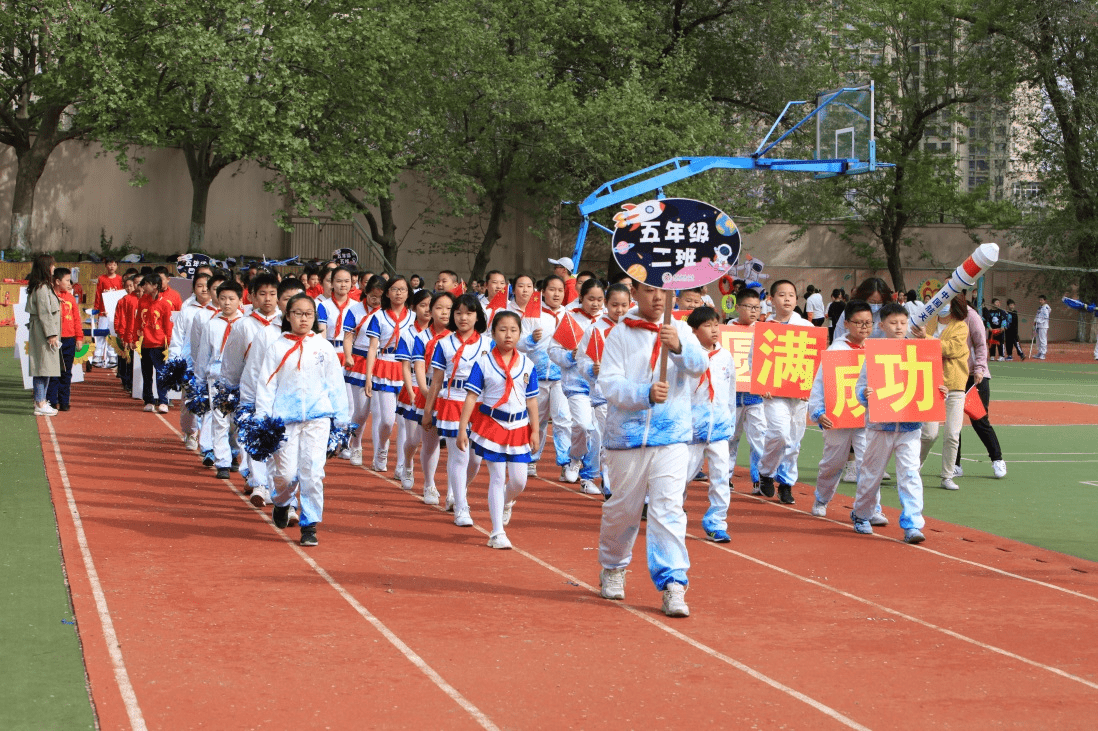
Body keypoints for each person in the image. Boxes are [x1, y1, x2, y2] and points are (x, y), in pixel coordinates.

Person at [597, 281, 708, 618]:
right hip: (627, 438)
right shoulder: (620, 333)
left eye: (663, 291)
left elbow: (700, 365)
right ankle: (614, 565)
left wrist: (679, 348)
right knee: (623, 510)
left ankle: (673, 583)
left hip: (671, 436)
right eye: (649, 290)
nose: (657, 297)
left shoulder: (680, 331)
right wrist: (644, 394)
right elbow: (610, 383)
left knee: (668, 510)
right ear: (636, 294)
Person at [256, 293, 350, 547]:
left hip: (318, 419)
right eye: (298, 313)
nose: (303, 318)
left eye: (309, 314)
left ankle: (309, 525)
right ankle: (281, 501)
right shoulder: (277, 347)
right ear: (288, 316)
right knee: (285, 474)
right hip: (284, 421)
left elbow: (335, 385)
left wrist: (341, 420)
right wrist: (262, 420)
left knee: (312, 472)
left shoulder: (323, 347)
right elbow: (266, 385)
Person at [851, 303, 940, 543]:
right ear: (882, 326)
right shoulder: (876, 354)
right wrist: (865, 395)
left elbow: (930, 385)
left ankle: (912, 524)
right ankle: (861, 515)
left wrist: (940, 391)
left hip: (910, 428)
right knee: (872, 474)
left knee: (910, 474)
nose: (899, 327)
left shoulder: (919, 351)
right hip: (880, 427)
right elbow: (860, 387)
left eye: (903, 322)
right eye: (893, 323)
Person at [456, 310, 541, 549]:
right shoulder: (483, 362)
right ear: (493, 333)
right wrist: (463, 429)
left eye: (513, 330)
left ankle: (506, 501)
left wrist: (534, 431)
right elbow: (471, 396)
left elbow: (532, 400)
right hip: (492, 424)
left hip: (518, 427)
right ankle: (497, 532)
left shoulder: (527, 363)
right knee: (496, 476)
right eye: (502, 330)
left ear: (519, 334)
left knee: (519, 481)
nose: (508, 335)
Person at [807, 300, 885, 525]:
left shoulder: (876, 349)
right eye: (858, 322)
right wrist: (818, 411)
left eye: (868, 323)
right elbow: (820, 383)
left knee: (868, 463)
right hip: (838, 417)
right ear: (847, 323)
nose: (864, 327)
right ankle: (822, 499)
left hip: (866, 418)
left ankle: (872, 508)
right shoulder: (836, 350)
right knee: (833, 462)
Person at [421, 294, 493, 525]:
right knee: (459, 456)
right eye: (458, 312)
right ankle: (461, 506)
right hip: (453, 402)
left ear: (478, 316)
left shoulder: (488, 343)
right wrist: (428, 411)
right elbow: (437, 381)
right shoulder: (443, 344)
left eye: (469, 313)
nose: (463, 317)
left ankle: (456, 491)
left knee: (475, 460)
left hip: (480, 404)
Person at [220, 273, 280, 501]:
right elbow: (232, 360)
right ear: (252, 296)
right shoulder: (244, 325)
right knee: (253, 436)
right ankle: (258, 483)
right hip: (251, 389)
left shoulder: (284, 324)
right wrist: (229, 387)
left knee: (276, 438)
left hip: (278, 391)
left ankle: (272, 484)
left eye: (272, 294)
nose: (267, 299)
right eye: (262, 294)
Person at [757, 280, 814, 505]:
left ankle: (787, 483)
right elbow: (756, 359)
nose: (788, 299)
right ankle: (766, 471)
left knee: (795, 440)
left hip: (799, 394)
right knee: (779, 434)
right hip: (774, 393)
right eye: (782, 294)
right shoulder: (764, 328)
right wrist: (763, 385)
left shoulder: (806, 328)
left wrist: (808, 387)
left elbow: (812, 360)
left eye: (791, 295)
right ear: (771, 300)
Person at [683, 306, 735, 543]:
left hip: (719, 429)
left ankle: (716, 522)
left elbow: (730, 391)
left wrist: (730, 421)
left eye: (716, 324)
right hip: (691, 429)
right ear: (693, 330)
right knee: (682, 476)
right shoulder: (685, 356)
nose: (714, 329)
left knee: (721, 476)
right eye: (707, 325)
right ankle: (671, 513)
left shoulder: (725, 356)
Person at [575, 282, 631, 498]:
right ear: (606, 304)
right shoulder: (594, 330)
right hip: (603, 396)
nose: (619, 310)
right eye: (614, 304)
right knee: (609, 442)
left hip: (630, 396)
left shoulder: (635, 328)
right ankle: (610, 486)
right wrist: (592, 368)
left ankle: (627, 488)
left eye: (624, 305)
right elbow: (582, 361)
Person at [548, 278, 605, 494]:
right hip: (577, 384)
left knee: (599, 434)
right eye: (591, 299)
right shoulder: (570, 319)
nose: (596, 303)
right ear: (581, 298)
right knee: (583, 426)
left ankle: (589, 476)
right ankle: (574, 458)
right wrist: (570, 356)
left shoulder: (608, 321)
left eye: (600, 299)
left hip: (601, 386)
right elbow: (552, 351)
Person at [517, 275, 573, 478]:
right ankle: (531, 458)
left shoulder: (570, 315)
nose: (556, 294)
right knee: (536, 420)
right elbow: (519, 343)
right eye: (552, 289)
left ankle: (565, 462)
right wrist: (530, 339)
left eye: (560, 290)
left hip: (562, 376)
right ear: (543, 291)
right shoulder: (532, 314)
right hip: (536, 375)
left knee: (563, 419)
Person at [951, 294, 1008, 480]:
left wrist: (980, 369)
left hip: (975, 376)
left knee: (979, 420)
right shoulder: (943, 317)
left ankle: (997, 459)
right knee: (954, 423)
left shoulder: (971, 316)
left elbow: (981, 346)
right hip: (955, 376)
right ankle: (955, 464)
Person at [361, 276, 413, 474]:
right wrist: (368, 377)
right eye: (394, 289)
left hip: (406, 368)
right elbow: (372, 348)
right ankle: (382, 448)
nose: (398, 293)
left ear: (408, 293)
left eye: (402, 289)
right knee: (387, 421)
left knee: (405, 422)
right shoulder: (379, 317)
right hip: (385, 366)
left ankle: (401, 463)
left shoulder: (414, 317)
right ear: (387, 293)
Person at [193, 280, 245, 479]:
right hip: (216, 375)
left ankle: (234, 453)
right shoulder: (212, 324)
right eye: (223, 298)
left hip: (240, 376)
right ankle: (222, 461)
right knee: (220, 419)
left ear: (240, 300)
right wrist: (199, 381)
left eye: (232, 299)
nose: (227, 303)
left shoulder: (245, 323)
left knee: (237, 420)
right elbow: (203, 354)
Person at [916, 296, 969, 491]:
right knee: (929, 434)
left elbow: (951, 349)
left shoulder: (961, 326)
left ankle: (947, 475)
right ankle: (913, 470)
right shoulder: (927, 323)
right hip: (929, 384)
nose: (943, 307)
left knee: (952, 434)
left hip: (954, 386)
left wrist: (926, 339)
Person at [409, 291, 455, 505]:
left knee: (457, 446)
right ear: (431, 311)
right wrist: (425, 392)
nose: (444, 312)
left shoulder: (457, 338)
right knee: (430, 443)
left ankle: (455, 491)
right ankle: (429, 484)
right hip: (430, 393)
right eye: (439, 308)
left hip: (454, 396)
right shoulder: (422, 338)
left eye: (448, 308)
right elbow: (418, 366)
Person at [167, 272, 216, 450]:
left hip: (212, 365)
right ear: (194, 288)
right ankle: (190, 431)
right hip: (190, 364)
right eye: (199, 286)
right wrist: (175, 361)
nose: (203, 289)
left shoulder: (219, 311)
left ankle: (207, 440)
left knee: (211, 404)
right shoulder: (187, 310)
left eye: (207, 285)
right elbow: (177, 338)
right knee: (189, 402)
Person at [342, 274, 385, 464]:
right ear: (365, 293)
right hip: (359, 360)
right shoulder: (355, 310)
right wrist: (348, 355)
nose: (376, 301)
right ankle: (356, 442)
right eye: (373, 296)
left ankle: (379, 452)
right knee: (361, 411)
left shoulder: (388, 313)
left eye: (380, 297)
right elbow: (348, 336)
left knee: (380, 412)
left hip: (381, 362)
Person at [394, 289, 434, 490]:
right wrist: (410, 390)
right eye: (422, 305)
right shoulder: (409, 334)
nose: (427, 310)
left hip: (432, 386)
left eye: (430, 305)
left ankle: (430, 483)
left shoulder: (444, 335)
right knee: (413, 439)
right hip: (414, 385)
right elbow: (404, 365)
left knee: (429, 439)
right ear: (413, 308)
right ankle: (407, 463)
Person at [727, 288, 766, 495]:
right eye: (749, 307)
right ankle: (725, 477)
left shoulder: (763, 331)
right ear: (737, 307)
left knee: (758, 437)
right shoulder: (725, 329)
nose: (753, 311)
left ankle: (759, 479)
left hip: (755, 396)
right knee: (730, 438)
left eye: (757, 307)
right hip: (730, 396)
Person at [26, 255, 61, 416]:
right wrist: (51, 334)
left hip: (42, 331)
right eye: (52, 265)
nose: (54, 268)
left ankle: (41, 400)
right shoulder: (42, 288)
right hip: (43, 332)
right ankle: (40, 401)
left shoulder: (43, 286)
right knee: (42, 367)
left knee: (46, 367)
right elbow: (45, 313)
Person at [136, 273, 175, 413]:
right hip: (144, 343)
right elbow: (138, 320)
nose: (143, 286)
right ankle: (148, 400)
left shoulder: (165, 303)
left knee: (161, 374)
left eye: (146, 284)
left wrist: (168, 343)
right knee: (146, 374)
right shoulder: (142, 301)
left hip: (159, 344)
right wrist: (135, 337)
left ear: (155, 286)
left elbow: (168, 325)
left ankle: (163, 401)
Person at [47, 268, 83, 412]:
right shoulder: (50, 297)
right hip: (55, 339)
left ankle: (64, 401)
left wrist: (79, 337)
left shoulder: (70, 298)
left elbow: (76, 319)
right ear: (57, 281)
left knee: (66, 372)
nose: (69, 284)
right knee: (53, 372)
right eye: (67, 280)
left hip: (69, 339)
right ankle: (51, 400)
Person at [92, 258, 123, 369]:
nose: (112, 267)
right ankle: (98, 355)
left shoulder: (120, 279)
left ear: (117, 266)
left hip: (115, 313)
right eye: (110, 264)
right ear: (106, 265)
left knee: (112, 334)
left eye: (114, 264)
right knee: (100, 333)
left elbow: (121, 296)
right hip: (103, 312)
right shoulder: (101, 278)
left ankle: (112, 355)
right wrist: (97, 309)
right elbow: (98, 294)